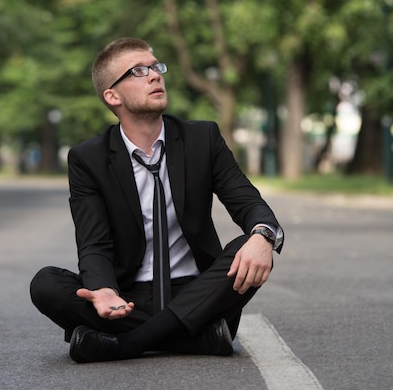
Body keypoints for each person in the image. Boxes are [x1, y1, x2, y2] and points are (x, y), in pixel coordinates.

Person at [30, 37, 284, 363]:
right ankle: (197, 339)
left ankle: (125, 344)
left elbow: (247, 202)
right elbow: (93, 242)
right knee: (45, 284)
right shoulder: (88, 158)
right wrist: (104, 289)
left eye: (155, 67)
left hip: (199, 291)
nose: (154, 76)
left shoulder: (202, 139)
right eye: (138, 71)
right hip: (128, 297)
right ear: (112, 95)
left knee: (250, 250)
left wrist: (263, 235)